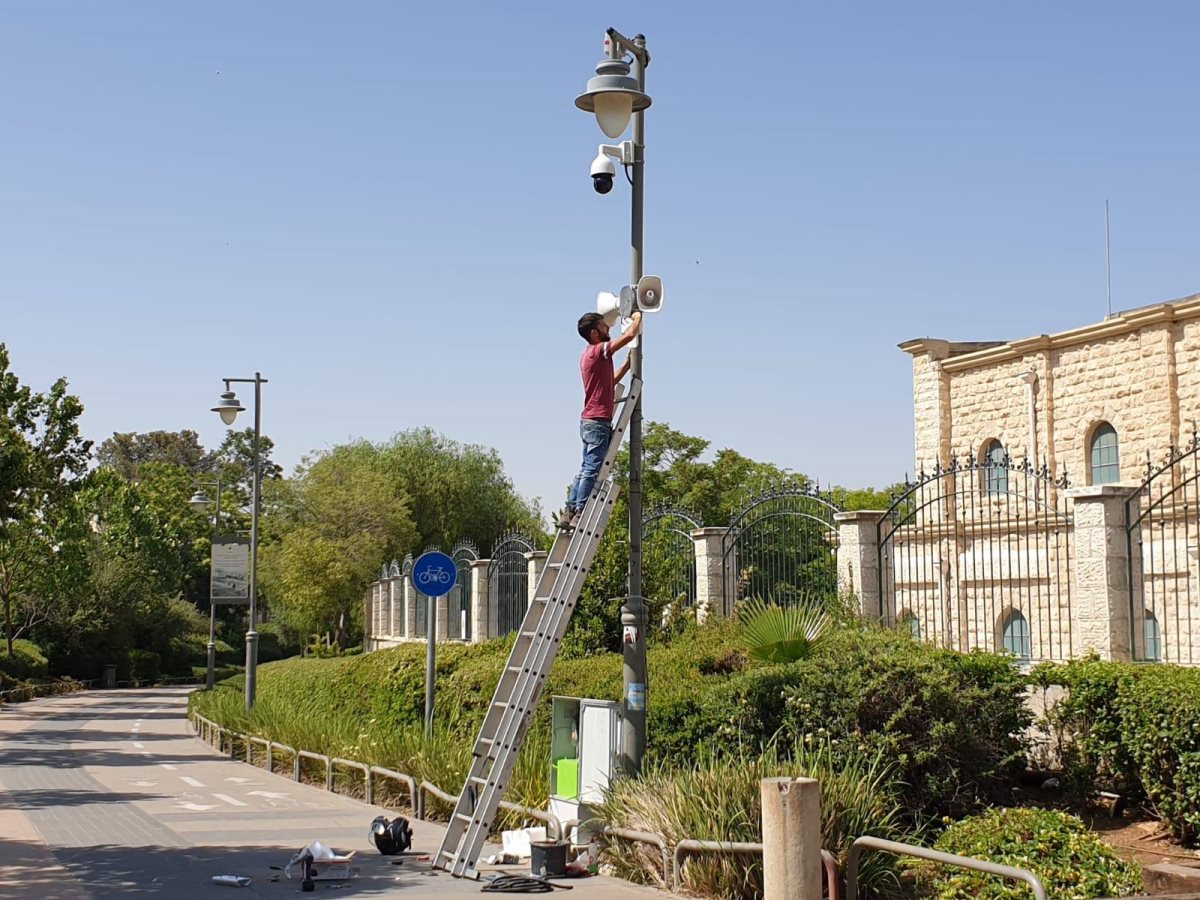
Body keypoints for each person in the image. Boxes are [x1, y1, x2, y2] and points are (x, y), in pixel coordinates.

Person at [559, 309, 643, 529]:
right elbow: (629, 336)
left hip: (589, 420)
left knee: (585, 467)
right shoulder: (598, 351)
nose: (609, 328)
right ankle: (580, 510)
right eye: (605, 326)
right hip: (597, 421)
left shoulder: (587, 355)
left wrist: (626, 366)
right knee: (591, 469)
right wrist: (637, 315)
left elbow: (609, 384)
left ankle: (569, 510)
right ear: (595, 333)